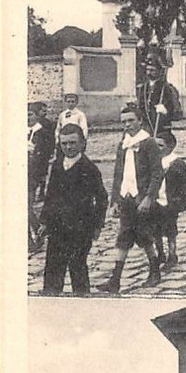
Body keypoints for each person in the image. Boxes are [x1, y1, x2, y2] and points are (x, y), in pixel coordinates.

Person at [98, 103, 164, 293]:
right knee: (124, 235)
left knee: (145, 235)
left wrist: (149, 197)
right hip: (126, 198)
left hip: (142, 198)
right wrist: (115, 201)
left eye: (131, 121)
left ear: (140, 121)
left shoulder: (148, 143)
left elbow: (157, 173)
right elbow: (118, 173)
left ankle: (154, 271)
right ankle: (115, 279)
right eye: (124, 122)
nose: (127, 125)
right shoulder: (123, 144)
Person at [40, 124, 108, 295]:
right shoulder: (57, 165)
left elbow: (102, 199)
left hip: (80, 229)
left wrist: (97, 226)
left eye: (72, 143)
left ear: (82, 143)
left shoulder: (89, 169)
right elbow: (50, 194)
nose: (68, 147)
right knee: (54, 268)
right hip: (57, 228)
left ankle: (81, 301)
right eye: (64, 144)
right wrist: (44, 221)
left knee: (78, 267)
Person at [153, 131, 186, 271]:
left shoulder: (176, 163)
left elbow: (185, 183)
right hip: (155, 200)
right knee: (155, 229)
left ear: (170, 147)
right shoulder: (153, 161)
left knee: (170, 230)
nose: (157, 149)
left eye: (161, 145)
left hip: (170, 202)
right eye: (155, 145)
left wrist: (181, 200)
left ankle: (172, 254)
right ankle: (160, 253)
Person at [136, 52, 182, 140]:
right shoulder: (142, 89)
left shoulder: (168, 89)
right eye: (147, 70)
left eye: (152, 70)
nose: (149, 73)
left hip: (162, 130)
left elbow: (178, 114)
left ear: (160, 71)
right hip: (145, 131)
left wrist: (166, 111)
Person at [28, 102, 56, 208]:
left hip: (42, 156)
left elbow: (50, 140)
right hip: (32, 158)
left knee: (41, 175)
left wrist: (50, 152)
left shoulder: (46, 125)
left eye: (30, 114)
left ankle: (41, 192)